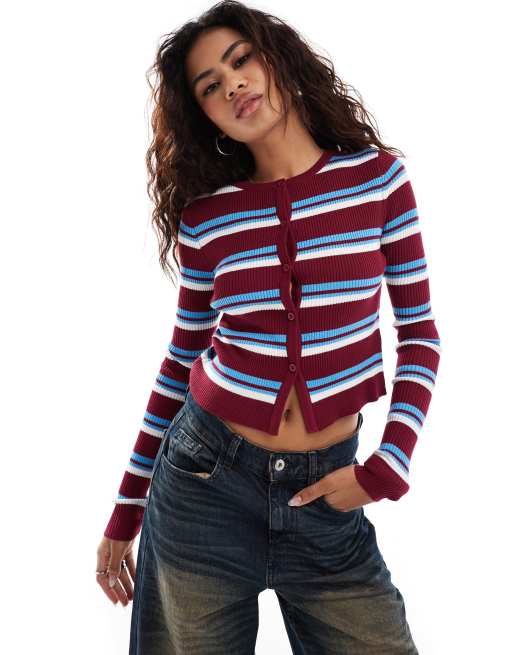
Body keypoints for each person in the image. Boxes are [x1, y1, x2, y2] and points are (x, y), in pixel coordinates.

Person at [96, 2, 441, 652]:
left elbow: (419, 335)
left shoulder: (377, 181)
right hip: (204, 485)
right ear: (204, 113)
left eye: (240, 60)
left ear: (278, 59)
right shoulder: (208, 218)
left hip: (327, 494)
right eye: (209, 85)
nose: (232, 84)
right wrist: (126, 508)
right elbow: (182, 361)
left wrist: (386, 466)